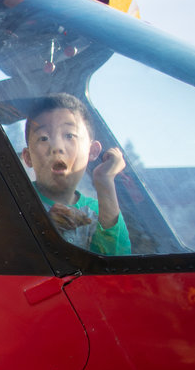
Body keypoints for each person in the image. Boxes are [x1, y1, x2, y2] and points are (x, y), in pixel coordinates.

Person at [21, 93, 131, 255]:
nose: (57, 146)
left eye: (69, 135)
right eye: (44, 138)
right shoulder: (16, 204)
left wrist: (105, 182)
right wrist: (44, 228)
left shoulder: (99, 210)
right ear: (28, 157)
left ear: (92, 151)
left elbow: (117, 266)